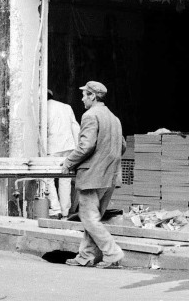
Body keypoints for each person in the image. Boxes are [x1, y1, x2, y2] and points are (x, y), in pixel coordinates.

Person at [61, 81, 126, 268]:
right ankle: (86, 256)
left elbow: (86, 145)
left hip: (93, 177)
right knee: (93, 220)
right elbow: (122, 146)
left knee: (89, 219)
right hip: (110, 177)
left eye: (84, 95)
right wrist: (107, 160)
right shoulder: (114, 118)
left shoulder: (90, 115)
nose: (82, 98)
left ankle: (113, 253)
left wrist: (69, 162)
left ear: (92, 96)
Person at [46, 89, 80, 219]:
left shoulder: (43, 108)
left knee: (48, 177)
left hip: (52, 147)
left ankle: (55, 209)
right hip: (68, 146)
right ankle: (66, 211)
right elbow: (75, 128)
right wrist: (77, 150)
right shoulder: (66, 107)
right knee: (65, 178)